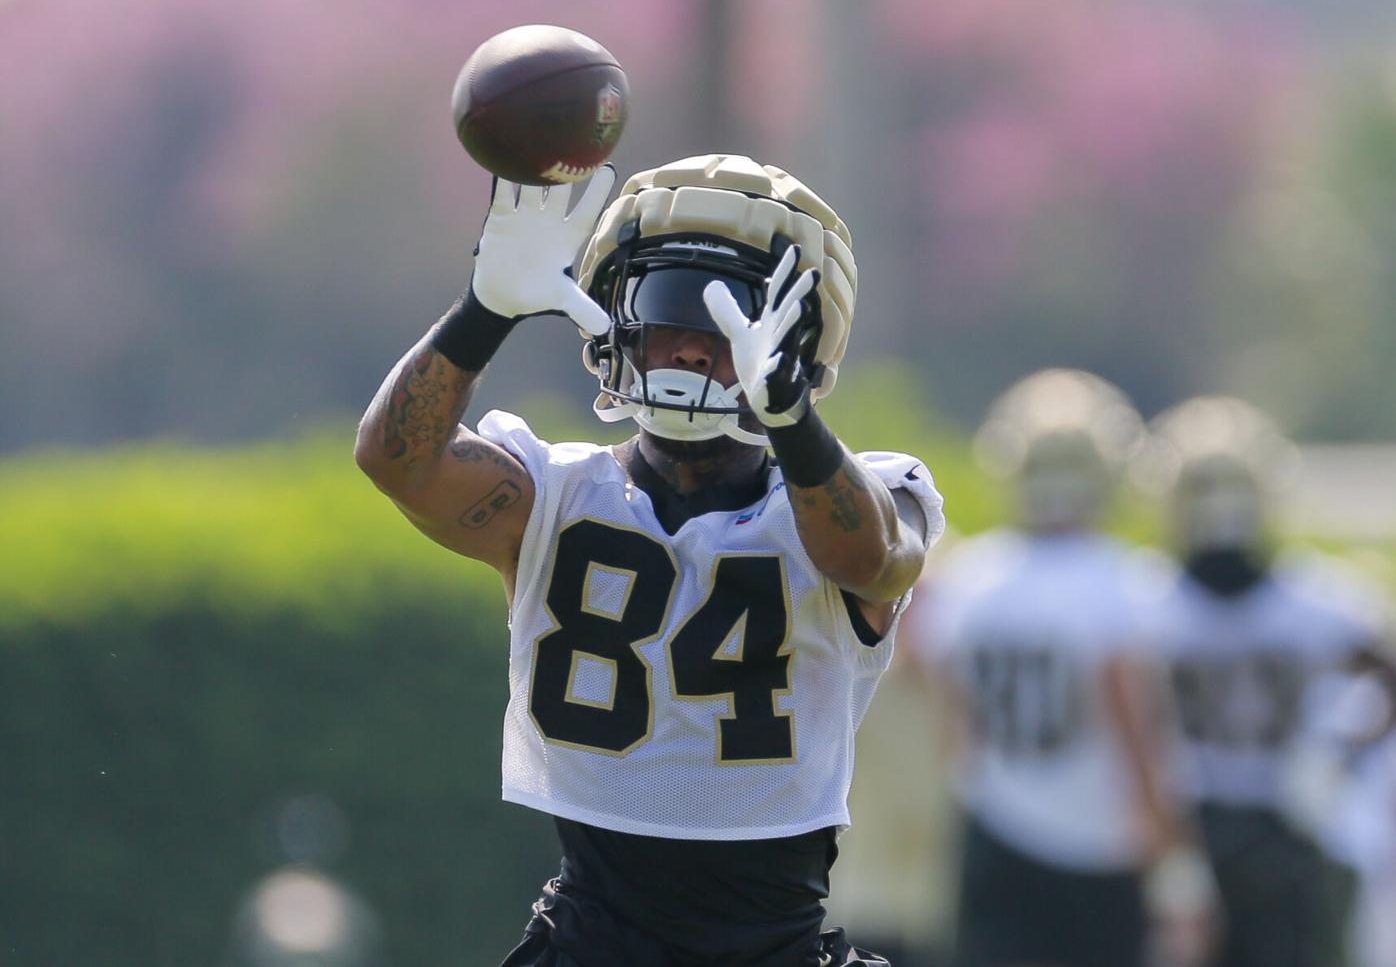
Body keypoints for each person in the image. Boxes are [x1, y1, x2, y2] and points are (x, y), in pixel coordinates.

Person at [354, 154, 944, 967]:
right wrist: (482, 312)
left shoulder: (859, 492)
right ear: (615, 318)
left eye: (729, 323)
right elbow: (396, 461)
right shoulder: (548, 493)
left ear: (797, 347)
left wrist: (794, 423)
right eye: (665, 310)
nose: (691, 349)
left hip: (776, 947)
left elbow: (878, 561)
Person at [903, 369, 1216, 967]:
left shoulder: (973, 579)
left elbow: (945, 709)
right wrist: (1179, 876)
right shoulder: (1127, 584)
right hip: (1098, 850)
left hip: (993, 834)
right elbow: (1140, 734)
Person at [1144, 395, 1394, 967]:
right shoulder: (1320, 604)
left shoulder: (1317, 605)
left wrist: (1339, 756)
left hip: (1282, 830)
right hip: (1197, 823)